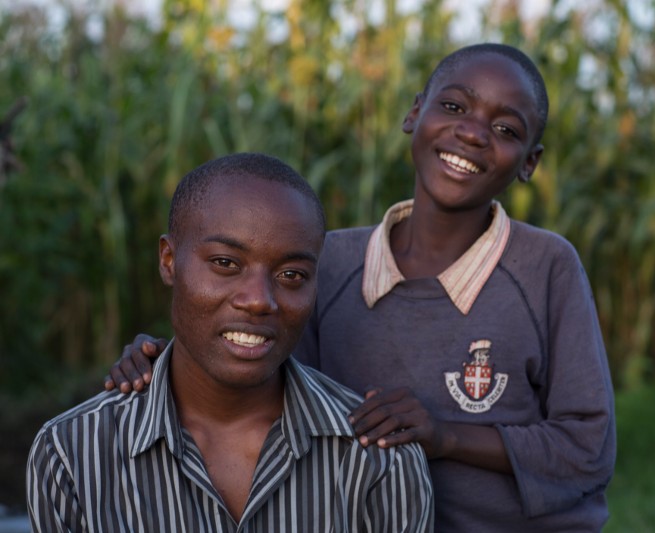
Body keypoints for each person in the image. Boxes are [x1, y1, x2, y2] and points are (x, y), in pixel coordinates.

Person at [106, 43, 616, 531]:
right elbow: (262, 382)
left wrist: (445, 436)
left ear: (529, 161)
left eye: (505, 128)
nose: (473, 134)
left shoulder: (545, 266)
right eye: (454, 105)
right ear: (415, 113)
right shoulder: (325, 262)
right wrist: (167, 366)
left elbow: (587, 450)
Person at [26, 153, 434, 532]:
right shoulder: (72, 454)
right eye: (225, 263)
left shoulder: (380, 461)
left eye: (291, 275)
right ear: (169, 261)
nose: (259, 299)